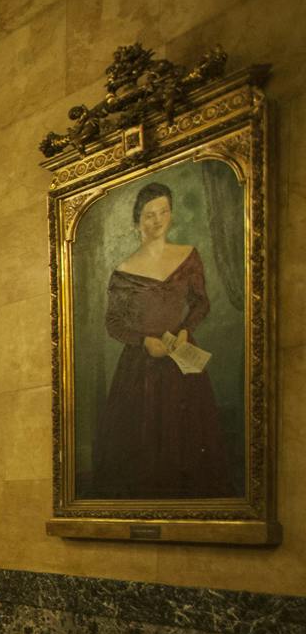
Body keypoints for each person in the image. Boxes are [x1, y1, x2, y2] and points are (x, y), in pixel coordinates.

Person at [89, 182, 232, 499]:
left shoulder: (188, 256)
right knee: (140, 445)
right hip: (140, 366)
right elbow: (113, 323)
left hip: (181, 356)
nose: (157, 220)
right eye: (149, 215)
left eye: (163, 212)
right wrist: (143, 341)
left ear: (172, 214)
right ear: (137, 220)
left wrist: (184, 330)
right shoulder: (123, 272)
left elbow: (201, 302)